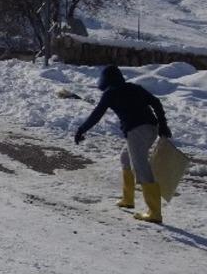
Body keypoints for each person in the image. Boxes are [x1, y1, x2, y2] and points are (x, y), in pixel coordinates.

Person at [74, 65, 173, 223]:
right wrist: (163, 124)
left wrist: (81, 129)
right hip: (151, 128)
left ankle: (154, 212)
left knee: (140, 166)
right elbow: (156, 102)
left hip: (137, 131)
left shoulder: (110, 93)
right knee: (125, 158)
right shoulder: (134, 87)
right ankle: (128, 199)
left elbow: (97, 114)